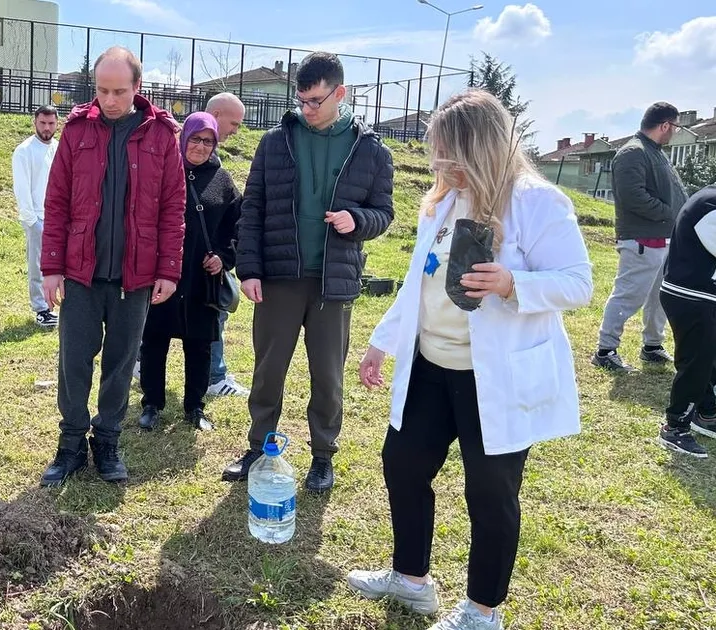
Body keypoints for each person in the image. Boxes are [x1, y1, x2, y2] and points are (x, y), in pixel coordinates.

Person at [350, 89, 593, 630]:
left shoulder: (539, 202)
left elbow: (579, 283)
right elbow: (418, 281)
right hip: (432, 365)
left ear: (482, 149)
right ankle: (411, 580)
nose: (440, 166)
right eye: (437, 155)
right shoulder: (441, 202)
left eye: (448, 156)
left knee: (490, 492)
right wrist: (381, 342)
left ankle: (483, 610)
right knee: (404, 465)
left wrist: (513, 283)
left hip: (495, 378)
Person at [222, 51, 394, 492]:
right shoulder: (275, 143)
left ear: (340, 93)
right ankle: (258, 447)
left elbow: (384, 212)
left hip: (333, 281)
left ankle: (323, 456)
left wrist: (358, 220)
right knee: (268, 370)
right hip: (279, 277)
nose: (306, 108)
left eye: (315, 100)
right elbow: (253, 208)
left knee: (328, 375)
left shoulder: (371, 150)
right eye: (301, 100)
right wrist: (250, 269)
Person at [38, 46, 186, 486]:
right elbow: (57, 200)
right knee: (73, 362)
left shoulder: (162, 136)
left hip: (135, 277)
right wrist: (51, 266)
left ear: (138, 88)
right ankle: (70, 445)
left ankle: (107, 441)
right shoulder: (76, 130)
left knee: (121, 363)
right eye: (102, 90)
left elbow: (173, 206)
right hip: (81, 274)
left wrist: (169, 269)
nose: (110, 99)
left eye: (119, 91)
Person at [138, 112, 240, 433]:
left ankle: (195, 407)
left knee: (199, 345)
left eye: (207, 141)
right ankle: (152, 404)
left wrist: (224, 257)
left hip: (201, 278)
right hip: (164, 274)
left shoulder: (222, 181)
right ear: (183, 139)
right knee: (154, 340)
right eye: (195, 139)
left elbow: (235, 226)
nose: (200, 146)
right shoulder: (165, 171)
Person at [592, 102, 689, 373]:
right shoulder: (633, 153)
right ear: (665, 125)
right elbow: (633, 196)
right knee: (628, 295)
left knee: (660, 296)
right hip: (643, 239)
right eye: (676, 127)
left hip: (663, 237)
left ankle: (652, 346)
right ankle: (605, 350)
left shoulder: (654, 152)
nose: (675, 133)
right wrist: (672, 215)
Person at [657, 184, 716, 458]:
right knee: (696, 362)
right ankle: (675, 427)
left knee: (708, 359)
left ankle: (705, 412)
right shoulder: (709, 204)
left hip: (700, 294)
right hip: (691, 295)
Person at [203, 92, 251, 399]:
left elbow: (232, 212)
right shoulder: (182, 153)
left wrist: (224, 254)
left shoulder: (216, 163)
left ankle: (214, 373)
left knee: (214, 310)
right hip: (179, 257)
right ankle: (214, 376)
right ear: (217, 115)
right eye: (233, 122)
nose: (236, 130)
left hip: (210, 258)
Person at [12, 104, 61, 328]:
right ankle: (41, 308)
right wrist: (32, 222)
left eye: (51, 123)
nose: (46, 128)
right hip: (37, 218)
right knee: (38, 264)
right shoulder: (24, 150)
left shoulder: (59, 148)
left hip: (58, 216)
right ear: (35, 122)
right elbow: (21, 189)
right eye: (42, 123)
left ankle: (58, 303)